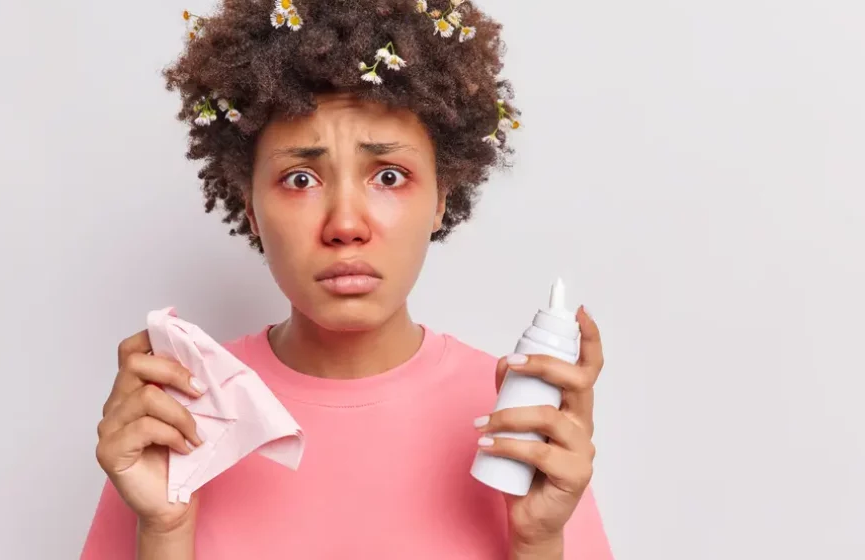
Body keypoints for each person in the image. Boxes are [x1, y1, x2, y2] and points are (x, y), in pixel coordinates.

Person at [80, 1, 613, 558]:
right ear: (251, 207)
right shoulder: (182, 412)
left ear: (441, 199)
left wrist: (539, 539)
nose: (346, 225)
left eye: (388, 175)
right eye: (301, 178)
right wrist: (163, 532)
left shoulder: (517, 421)